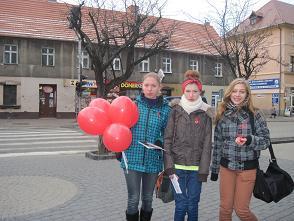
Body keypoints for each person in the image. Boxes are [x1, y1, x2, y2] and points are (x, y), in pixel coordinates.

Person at [210, 78, 271, 221]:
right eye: (234, 91)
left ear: (247, 95)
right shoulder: (222, 114)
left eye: (241, 92)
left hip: (247, 169)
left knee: (241, 210)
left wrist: (250, 140)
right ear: (229, 93)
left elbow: (265, 141)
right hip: (227, 168)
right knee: (225, 209)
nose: (237, 94)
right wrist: (214, 169)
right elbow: (218, 143)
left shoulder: (255, 114)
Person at [164, 70, 214, 221]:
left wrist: (204, 170)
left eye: (195, 91)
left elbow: (207, 145)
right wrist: (169, 167)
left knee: (193, 204)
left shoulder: (205, 114)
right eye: (188, 91)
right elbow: (167, 140)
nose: (191, 94)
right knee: (180, 204)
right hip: (177, 168)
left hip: (195, 170)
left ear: (200, 92)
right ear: (183, 91)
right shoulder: (175, 111)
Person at [120, 72, 170, 221]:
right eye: (146, 85)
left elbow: (168, 133)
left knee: (148, 199)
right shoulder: (133, 106)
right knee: (133, 199)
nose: (149, 89)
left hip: (152, 159)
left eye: (153, 86)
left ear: (159, 87)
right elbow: (122, 127)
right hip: (132, 158)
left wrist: (160, 140)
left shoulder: (166, 109)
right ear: (142, 87)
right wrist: (119, 145)